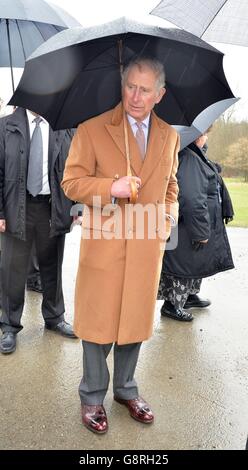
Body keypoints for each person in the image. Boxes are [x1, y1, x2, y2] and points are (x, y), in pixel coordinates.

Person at [61, 57, 179, 434]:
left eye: (145, 90)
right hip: (105, 245)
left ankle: (126, 390)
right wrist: (110, 188)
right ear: (122, 85)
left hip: (147, 247)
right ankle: (92, 396)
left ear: (160, 94)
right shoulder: (92, 129)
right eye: (130, 86)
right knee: (98, 327)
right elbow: (72, 183)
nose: (136, 96)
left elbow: (172, 188)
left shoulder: (171, 136)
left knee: (134, 323)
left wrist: (167, 221)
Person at [0, 107, 78, 355]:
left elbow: (76, 170)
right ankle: (9, 325)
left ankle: (55, 317)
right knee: (13, 268)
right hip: (17, 207)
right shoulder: (6, 126)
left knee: (52, 265)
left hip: (52, 207)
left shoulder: (65, 127)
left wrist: (76, 206)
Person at [158, 130, 234, 322]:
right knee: (184, 263)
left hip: (195, 222)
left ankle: (189, 296)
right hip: (188, 226)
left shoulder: (195, 154)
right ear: (196, 136)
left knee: (195, 262)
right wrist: (200, 231)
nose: (206, 138)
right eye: (205, 134)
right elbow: (192, 198)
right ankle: (172, 305)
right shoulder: (189, 157)